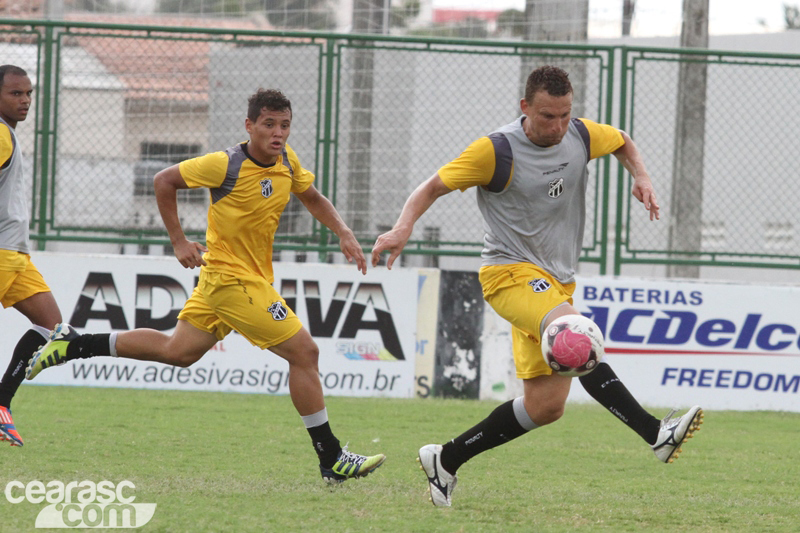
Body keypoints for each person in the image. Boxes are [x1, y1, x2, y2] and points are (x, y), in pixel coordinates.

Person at [371, 66, 703, 507]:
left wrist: (640, 176)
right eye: (548, 116)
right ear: (525, 107)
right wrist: (402, 228)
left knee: (546, 407)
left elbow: (622, 139)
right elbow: (431, 187)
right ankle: (654, 433)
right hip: (509, 274)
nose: (558, 126)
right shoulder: (495, 151)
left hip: (555, 284)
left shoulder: (580, 136)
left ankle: (445, 459)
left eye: (566, 114)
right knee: (574, 337)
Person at [28, 88, 386, 483]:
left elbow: (311, 196)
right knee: (305, 352)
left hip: (228, 281)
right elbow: (164, 180)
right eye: (268, 124)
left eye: (284, 125)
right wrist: (179, 240)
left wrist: (344, 231)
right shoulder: (225, 164)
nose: (277, 133)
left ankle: (74, 344)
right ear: (249, 126)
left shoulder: (287, 161)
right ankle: (332, 458)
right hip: (233, 282)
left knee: (177, 351)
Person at [0, 65, 64, 447]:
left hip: (16, 254)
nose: (24, 101)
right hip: (2, 251)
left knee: (53, 328)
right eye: (15, 94)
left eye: (28, 94)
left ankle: (1, 403)